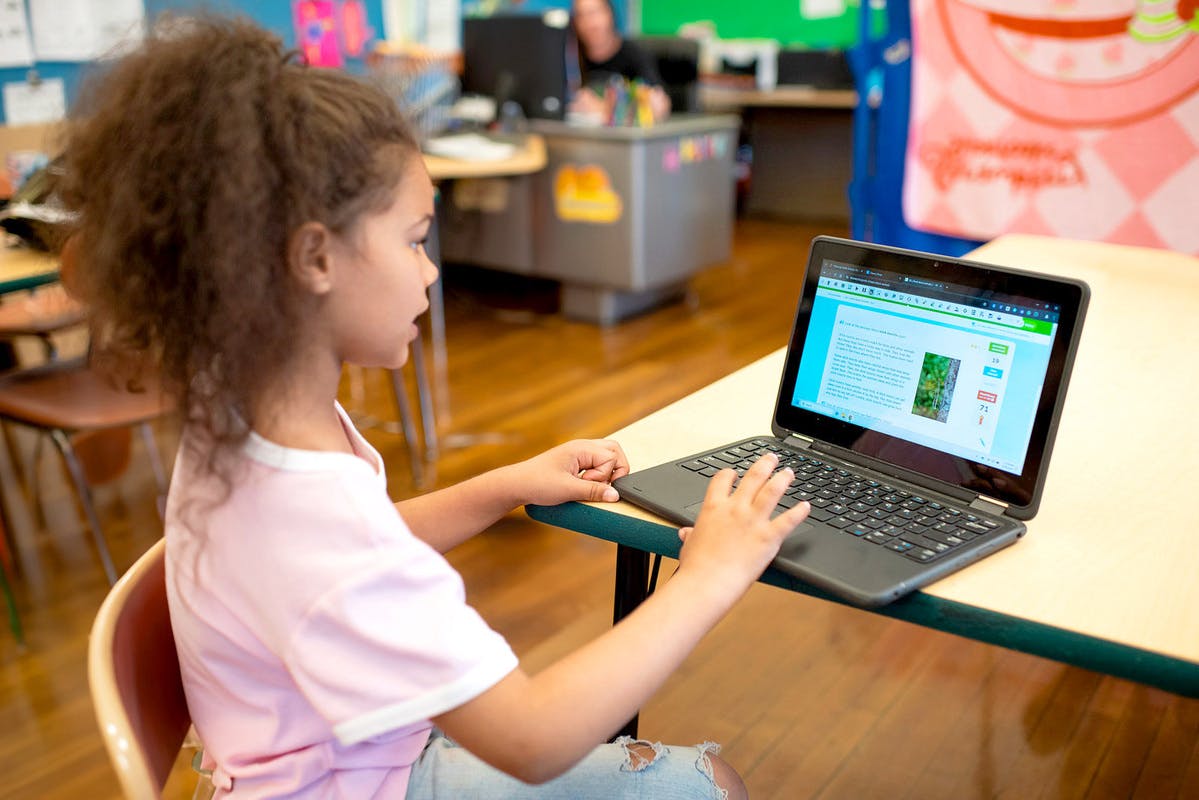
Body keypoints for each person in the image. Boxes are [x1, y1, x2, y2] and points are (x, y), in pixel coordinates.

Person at [60, 15, 810, 799]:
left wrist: (503, 487)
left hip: (325, 760)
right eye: (415, 240)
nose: (428, 274)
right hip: (367, 783)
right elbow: (532, 735)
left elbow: (357, 550)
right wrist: (708, 575)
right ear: (314, 257)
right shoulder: (313, 513)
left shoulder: (241, 420)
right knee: (711, 783)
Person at [570, 0, 671, 122]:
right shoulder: (571, 57)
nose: (589, 23)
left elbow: (661, 106)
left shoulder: (635, 55)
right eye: (581, 16)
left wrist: (605, 109)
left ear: (609, 14)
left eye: (594, 13)